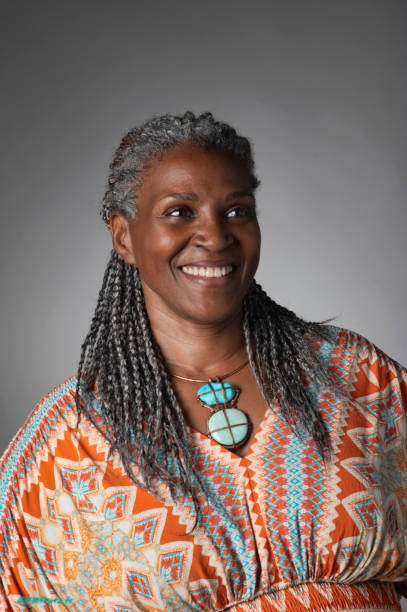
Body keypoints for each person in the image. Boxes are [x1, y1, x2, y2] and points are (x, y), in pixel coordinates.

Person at [0, 111, 406, 611]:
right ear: (124, 236)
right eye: (179, 212)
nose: (214, 236)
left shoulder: (355, 377)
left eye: (236, 211)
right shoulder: (64, 446)